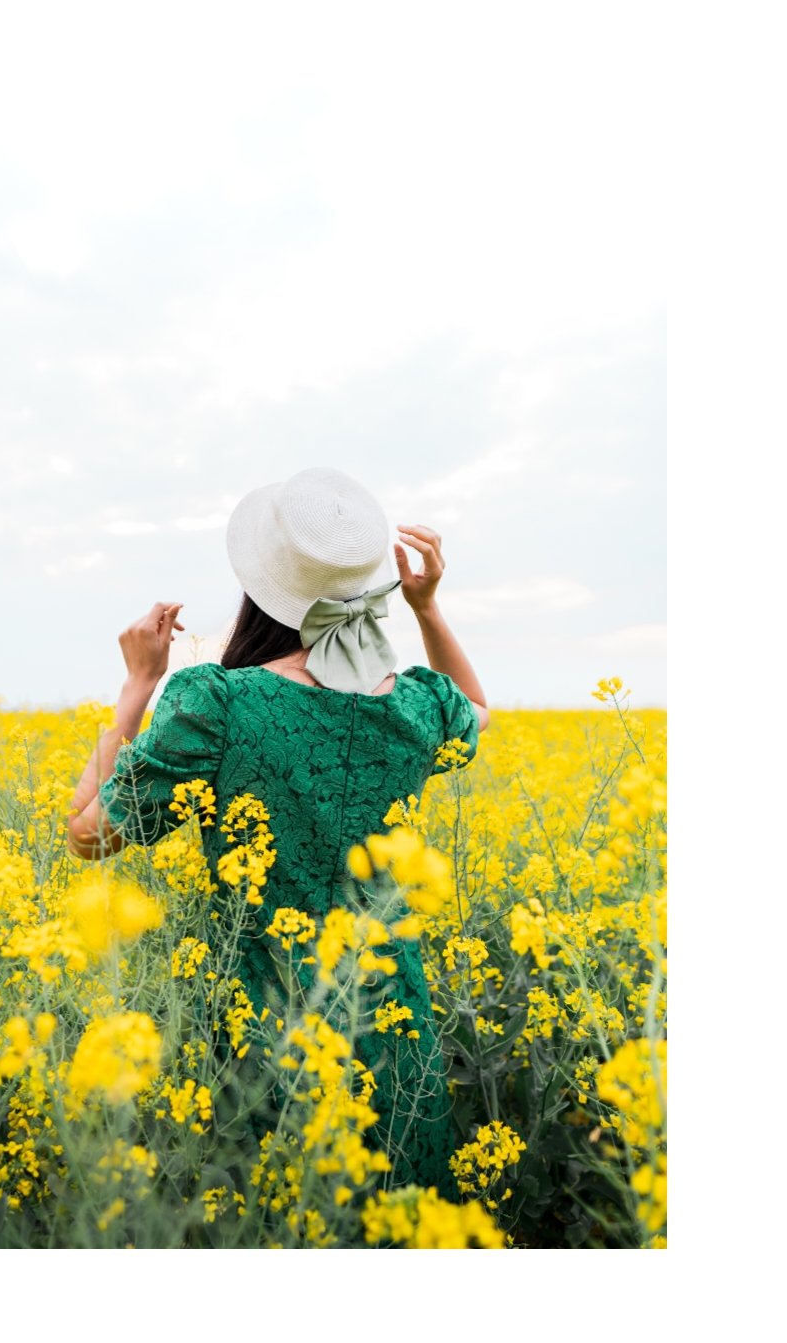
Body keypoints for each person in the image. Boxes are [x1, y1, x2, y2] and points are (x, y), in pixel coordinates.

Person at [66, 466, 489, 1192]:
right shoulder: (420, 706)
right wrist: (428, 610)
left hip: (270, 1039)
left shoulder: (218, 705)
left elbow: (88, 835)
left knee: (282, 1219)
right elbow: (478, 714)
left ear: (261, 588)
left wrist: (136, 688)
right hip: (396, 1036)